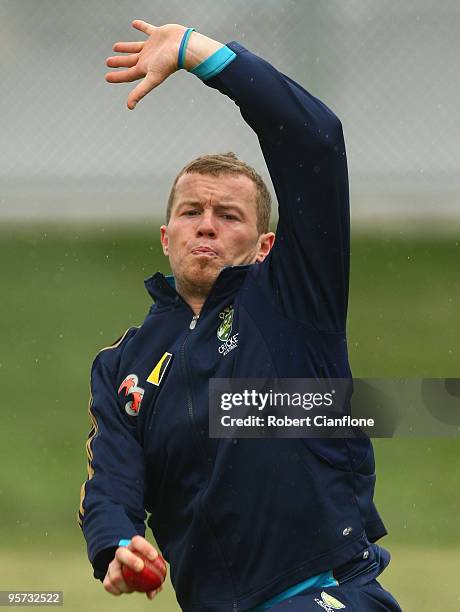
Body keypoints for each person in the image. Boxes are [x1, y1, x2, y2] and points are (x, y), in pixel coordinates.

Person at [78, 20, 403, 611]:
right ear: (165, 234)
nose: (206, 223)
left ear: (266, 246)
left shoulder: (293, 300)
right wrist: (116, 543)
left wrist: (195, 51)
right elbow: (112, 482)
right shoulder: (123, 366)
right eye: (191, 211)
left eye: (229, 214)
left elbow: (316, 142)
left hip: (325, 593)